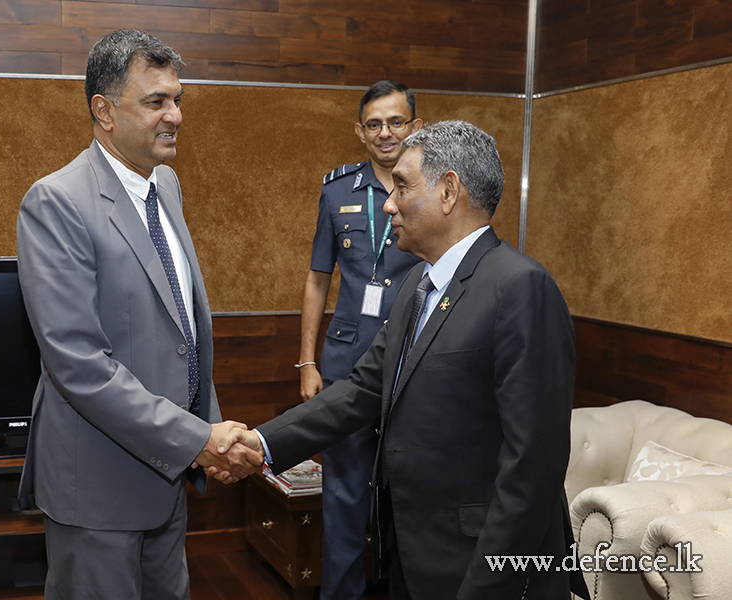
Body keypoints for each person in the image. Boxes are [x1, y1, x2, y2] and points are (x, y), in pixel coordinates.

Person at [219, 121, 590, 600]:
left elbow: (533, 466)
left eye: (401, 186)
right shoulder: (417, 284)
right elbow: (361, 391)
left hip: (481, 566)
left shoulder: (519, 287)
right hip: (411, 554)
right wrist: (261, 443)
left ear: (449, 191)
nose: (388, 203)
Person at [15, 29, 262, 600]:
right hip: (97, 488)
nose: (174, 115)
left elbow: (183, 331)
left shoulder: (166, 185)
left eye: (177, 99)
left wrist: (211, 434)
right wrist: (196, 439)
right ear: (103, 110)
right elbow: (79, 365)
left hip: (166, 475)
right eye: (156, 101)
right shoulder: (55, 202)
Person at [297, 80, 422, 600]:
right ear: (360, 131)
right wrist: (306, 361)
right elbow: (317, 278)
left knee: (411, 491)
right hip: (347, 359)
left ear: (415, 127)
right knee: (344, 492)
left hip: (414, 358)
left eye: (396, 122)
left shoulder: (433, 187)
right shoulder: (336, 190)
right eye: (374, 124)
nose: (385, 133)